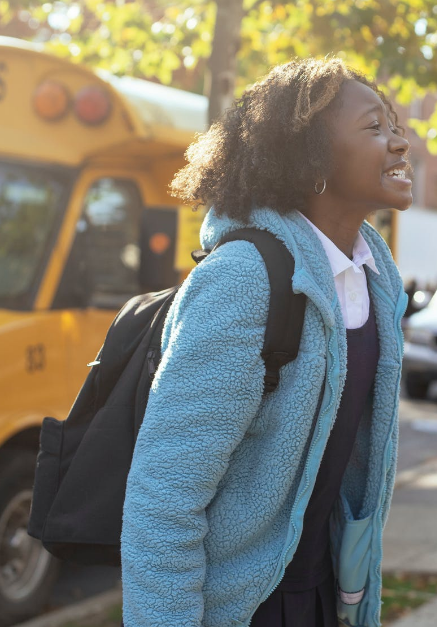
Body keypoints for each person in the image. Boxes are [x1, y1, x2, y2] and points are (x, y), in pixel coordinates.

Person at [120, 58, 412, 627]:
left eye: (394, 124)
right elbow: (164, 499)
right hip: (243, 608)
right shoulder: (245, 280)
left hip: (326, 597)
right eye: (374, 128)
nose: (399, 143)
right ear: (312, 161)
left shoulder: (375, 277)